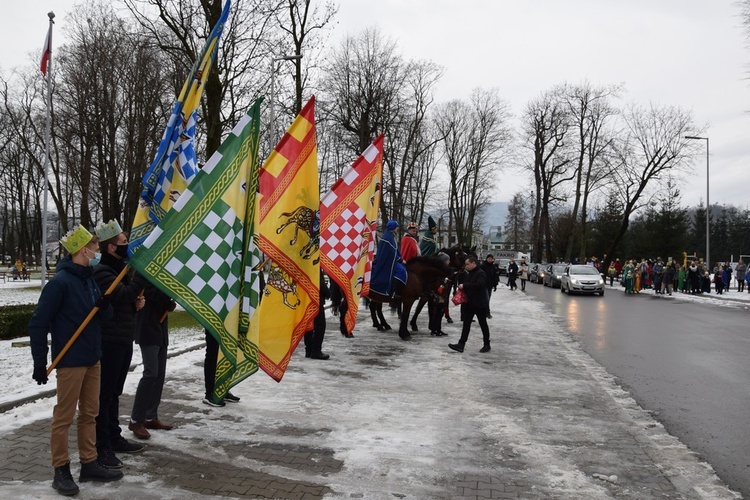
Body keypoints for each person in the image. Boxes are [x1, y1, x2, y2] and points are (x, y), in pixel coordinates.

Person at [29, 225, 122, 495]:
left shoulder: (88, 279)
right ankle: (61, 469)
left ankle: (89, 462)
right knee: (64, 417)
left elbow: (103, 318)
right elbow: (38, 324)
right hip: (70, 360)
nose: (96, 251)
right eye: (94, 247)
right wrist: (39, 362)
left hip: (93, 357)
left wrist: (104, 308)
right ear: (83, 250)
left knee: (90, 414)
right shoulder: (60, 283)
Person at [92, 220, 148, 466]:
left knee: (115, 392)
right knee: (105, 395)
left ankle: (114, 437)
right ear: (111, 248)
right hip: (109, 341)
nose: (128, 246)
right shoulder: (104, 272)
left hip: (123, 339)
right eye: (124, 243)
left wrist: (136, 306)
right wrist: (141, 277)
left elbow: (124, 303)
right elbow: (121, 296)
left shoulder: (119, 271)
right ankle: (101, 445)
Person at [129, 281, 176, 440]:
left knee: (159, 375)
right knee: (150, 373)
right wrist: (168, 300)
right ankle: (136, 419)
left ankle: (150, 416)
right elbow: (151, 291)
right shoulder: (147, 272)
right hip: (148, 328)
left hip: (160, 329)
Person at [449, 256, 491, 353]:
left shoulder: (481, 273)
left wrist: (465, 285)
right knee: (466, 324)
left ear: (473, 263)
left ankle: (486, 344)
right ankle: (461, 344)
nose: (466, 266)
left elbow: (480, 285)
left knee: (483, 324)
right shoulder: (469, 273)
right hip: (469, 303)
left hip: (479, 304)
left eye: (468, 264)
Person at [203, 329, 241, 407]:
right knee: (213, 353)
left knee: (225, 354)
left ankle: (222, 389)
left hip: (227, 322)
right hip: (213, 322)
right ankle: (209, 393)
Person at [370, 220, 407, 299]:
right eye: (396, 227)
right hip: (389, 262)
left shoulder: (390, 236)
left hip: (390, 260)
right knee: (401, 271)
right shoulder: (389, 238)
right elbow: (392, 253)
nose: (397, 228)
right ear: (393, 228)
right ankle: (394, 292)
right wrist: (400, 260)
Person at [304, 271, 331, 360]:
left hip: (307, 299)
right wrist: (328, 293)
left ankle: (309, 350)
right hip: (316, 300)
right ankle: (316, 350)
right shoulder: (314, 263)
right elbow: (319, 282)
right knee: (320, 325)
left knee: (309, 325)